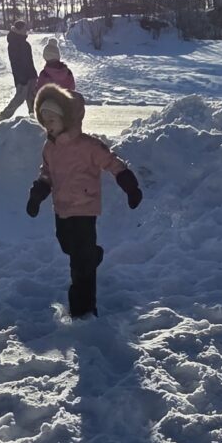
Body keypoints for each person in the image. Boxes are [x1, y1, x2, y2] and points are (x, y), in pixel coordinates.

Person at [25, 83, 143, 318]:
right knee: (67, 245)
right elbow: (46, 173)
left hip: (85, 208)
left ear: (65, 118)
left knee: (80, 265)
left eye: (52, 119)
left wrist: (129, 185)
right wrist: (37, 193)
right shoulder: (49, 147)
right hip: (62, 208)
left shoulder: (88, 145)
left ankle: (83, 309)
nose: (48, 124)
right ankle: (92, 255)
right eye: (44, 119)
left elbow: (112, 162)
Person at [0, 20, 39, 121]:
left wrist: (34, 75)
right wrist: (21, 78)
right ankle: (4, 116)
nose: (26, 30)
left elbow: (30, 61)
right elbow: (15, 64)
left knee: (31, 98)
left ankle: (33, 118)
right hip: (21, 77)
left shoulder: (26, 44)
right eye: (24, 28)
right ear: (19, 30)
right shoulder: (13, 44)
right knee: (20, 98)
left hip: (30, 75)